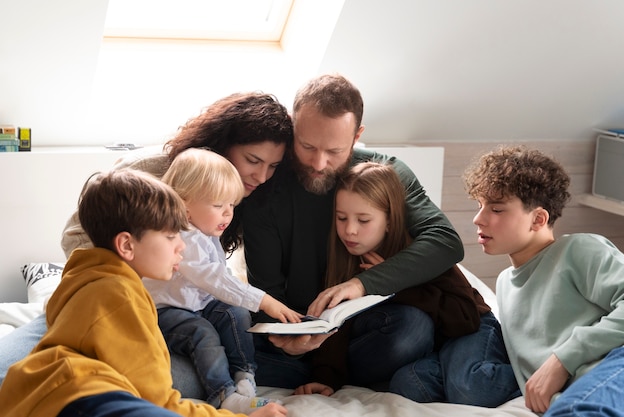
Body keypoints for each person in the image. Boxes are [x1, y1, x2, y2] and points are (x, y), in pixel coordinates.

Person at [0, 91, 293, 395]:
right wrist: (131, 289)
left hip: (188, 312)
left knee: (224, 357)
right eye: (253, 160)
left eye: (273, 166)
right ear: (222, 145)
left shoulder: (250, 197)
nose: (261, 176)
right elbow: (76, 237)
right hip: (114, 305)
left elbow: (215, 273)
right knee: (17, 376)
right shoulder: (154, 172)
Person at [0, 169, 288, 417]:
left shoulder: (84, 277)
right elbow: (160, 402)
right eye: (171, 235)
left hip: (27, 391)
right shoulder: (122, 298)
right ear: (126, 245)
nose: (182, 247)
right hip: (77, 399)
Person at [243, 73, 465, 389]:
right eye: (307, 145)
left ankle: (331, 374)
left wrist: (362, 284)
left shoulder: (385, 173)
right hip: (296, 330)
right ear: (293, 125)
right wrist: (284, 339)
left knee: (411, 330)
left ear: (357, 135)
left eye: (334, 150)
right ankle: (323, 373)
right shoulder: (265, 186)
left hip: (362, 332)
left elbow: (445, 241)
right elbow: (265, 293)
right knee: (230, 346)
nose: (318, 163)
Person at [293, 161, 520, 407]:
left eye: (364, 220)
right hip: (433, 346)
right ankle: (452, 374)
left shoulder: (419, 254)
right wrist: (325, 377)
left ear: (390, 220)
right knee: (408, 385)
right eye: (341, 218)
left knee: (469, 389)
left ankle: (535, 376)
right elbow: (337, 324)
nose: (350, 231)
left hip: (467, 329)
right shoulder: (341, 254)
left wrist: (392, 285)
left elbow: (464, 317)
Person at [462, 144, 624, 415]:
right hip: (574, 396)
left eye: (497, 209)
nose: (478, 219)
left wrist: (562, 360)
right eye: (480, 206)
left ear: (538, 219)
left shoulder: (578, 250)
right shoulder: (505, 284)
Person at [146, 148, 301, 413]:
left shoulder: (206, 234)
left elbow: (221, 277)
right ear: (184, 205)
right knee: (202, 332)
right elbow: (213, 278)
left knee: (235, 314)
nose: (228, 214)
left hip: (197, 306)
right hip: (165, 312)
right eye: (219, 206)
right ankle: (223, 395)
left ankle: (245, 376)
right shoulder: (184, 237)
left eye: (231, 205)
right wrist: (262, 300)